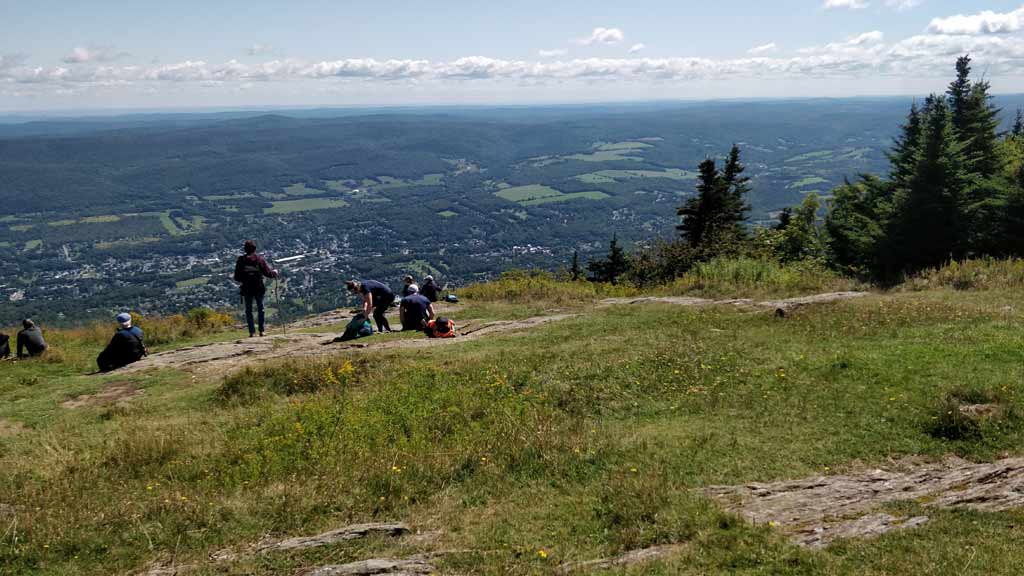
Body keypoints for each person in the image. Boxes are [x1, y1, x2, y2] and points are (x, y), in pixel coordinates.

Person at [233, 240, 278, 337]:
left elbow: (236, 277)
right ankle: (261, 331)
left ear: (245, 249)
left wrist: (245, 279)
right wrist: (275, 272)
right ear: (255, 249)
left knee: (248, 310)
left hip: (247, 288)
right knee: (260, 309)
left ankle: (251, 332)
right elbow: (268, 273)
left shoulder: (241, 260)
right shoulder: (259, 259)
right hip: (258, 287)